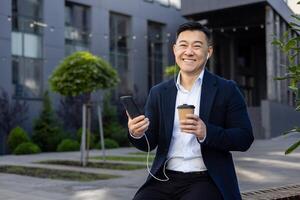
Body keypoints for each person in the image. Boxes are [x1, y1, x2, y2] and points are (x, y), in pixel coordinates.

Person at [126, 21, 254, 200]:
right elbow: (150, 142)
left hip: (206, 179)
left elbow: (244, 138)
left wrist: (206, 132)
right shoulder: (159, 92)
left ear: (208, 52)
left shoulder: (227, 89)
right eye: (183, 45)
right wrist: (136, 132)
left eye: (197, 46)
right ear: (174, 50)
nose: (189, 52)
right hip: (163, 178)